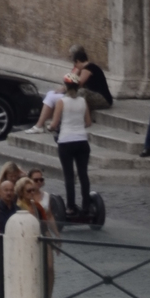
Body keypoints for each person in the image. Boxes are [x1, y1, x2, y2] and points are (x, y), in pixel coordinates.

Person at [44, 76, 94, 217]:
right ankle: (86, 207)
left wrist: (49, 127)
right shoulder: (83, 101)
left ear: (65, 86)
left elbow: (54, 124)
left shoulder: (61, 102)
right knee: (83, 175)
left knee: (69, 176)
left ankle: (70, 207)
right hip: (82, 141)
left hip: (66, 142)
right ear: (78, 87)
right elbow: (88, 122)